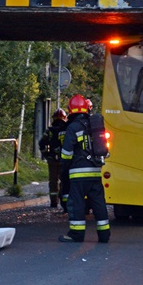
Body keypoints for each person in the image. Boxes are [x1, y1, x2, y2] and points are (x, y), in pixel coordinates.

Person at [58, 94, 111, 243]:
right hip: (95, 173)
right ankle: (104, 235)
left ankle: (77, 234)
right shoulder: (94, 126)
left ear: (70, 110)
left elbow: (66, 154)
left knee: (77, 204)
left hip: (78, 175)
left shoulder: (73, 127)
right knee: (99, 204)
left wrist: (64, 169)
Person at [38, 108, 68, 209]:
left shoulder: (49, 131)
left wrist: (46, 155)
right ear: (64, 118)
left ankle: (53, 202)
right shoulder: (67, 129)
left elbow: (41, 143)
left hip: (52, 160)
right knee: (64, 180)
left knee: (53, 181)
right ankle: (64, 201)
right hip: (65, 160)